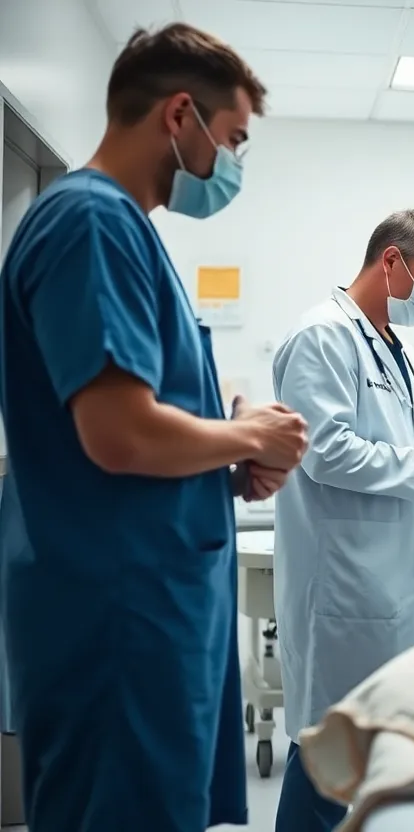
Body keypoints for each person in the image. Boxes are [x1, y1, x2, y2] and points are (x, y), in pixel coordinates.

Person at [0, 24, 310, 831]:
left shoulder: (126, 231)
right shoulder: (90, 224)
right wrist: (248, 441)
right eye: (234, 138)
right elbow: (121, 434)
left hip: (148, 609)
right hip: (116, 618)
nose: (233, 162)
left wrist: (234, 443)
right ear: (181, 115)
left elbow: (149, 418)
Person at [272, 209, 414, 831]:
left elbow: (412, 435)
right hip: (343, 582)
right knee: (330, 747)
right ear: (391, 262)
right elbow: (324, 450)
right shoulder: (323, 336)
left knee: (363, 748)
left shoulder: (390, 345)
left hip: (389, 577)